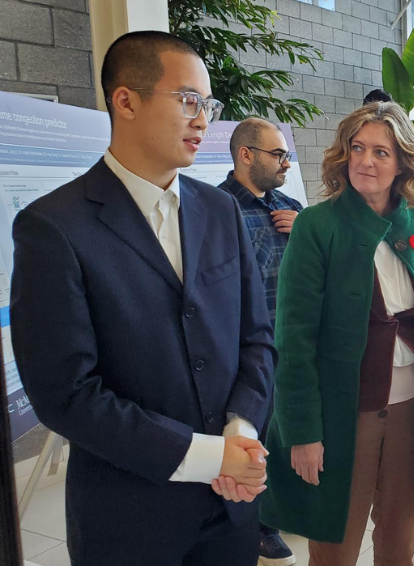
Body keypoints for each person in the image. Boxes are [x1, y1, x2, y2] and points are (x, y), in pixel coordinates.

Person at [10, 31, 275, 565]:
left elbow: (256, 338)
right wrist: (209, 457)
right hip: (129, 519)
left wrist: (240, 435)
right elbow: (67, 394)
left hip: (231, 514)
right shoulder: (53, 227)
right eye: (188, 101)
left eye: (209, 104)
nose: (203, 120)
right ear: (125, 100)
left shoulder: (220, 211)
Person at [259, 101, 414, 566]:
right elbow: (293, 339)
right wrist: (303, 433)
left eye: (381, 152)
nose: (366, 161)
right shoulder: (317, 225)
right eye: (357, 148)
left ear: (403, 164)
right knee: (335, 543)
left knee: (399, 541)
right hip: (342, 415)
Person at [218, 117, 304, 566]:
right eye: (278, 155)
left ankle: (277, 510)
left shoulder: (289, 206)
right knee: (256, 435)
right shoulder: (213, 208)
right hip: (242, 350)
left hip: (292, 343)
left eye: (286, 154)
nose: (286, 163)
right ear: (245, 155)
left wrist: (304, 229)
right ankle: (257, 526)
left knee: (287, 433)